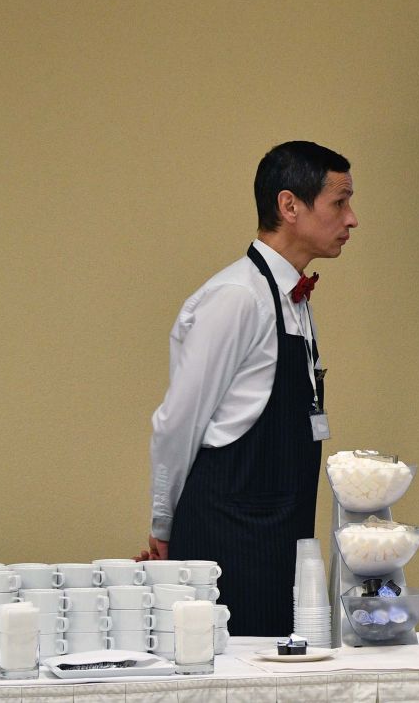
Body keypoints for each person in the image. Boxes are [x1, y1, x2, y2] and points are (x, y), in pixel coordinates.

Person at [139, 141, 357, 636]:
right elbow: (177, 421)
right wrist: (163, 525)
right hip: (230, 541)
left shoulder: (293, 298)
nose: (352, 219)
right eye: (339, 202)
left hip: (281, 536)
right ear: (289, 206)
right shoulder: (236, 297)